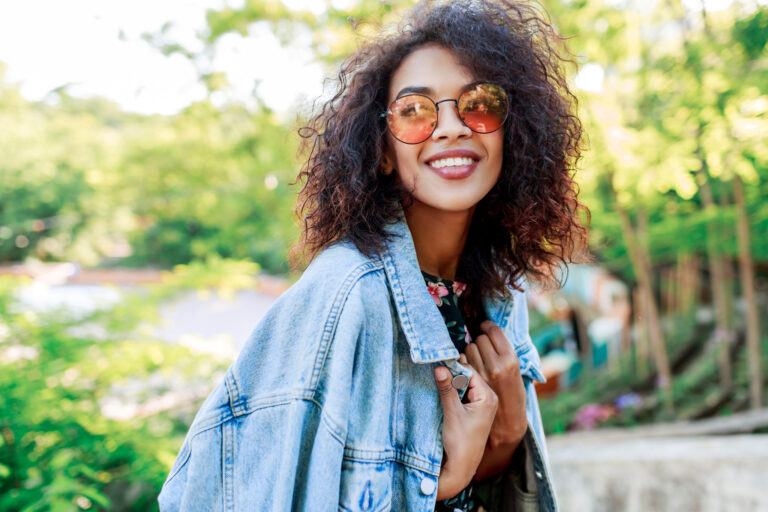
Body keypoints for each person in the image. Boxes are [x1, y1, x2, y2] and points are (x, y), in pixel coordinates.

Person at [158, 0, 588, 510]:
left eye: (478, 104)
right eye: (413, 111)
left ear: (510, 132)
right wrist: (442, 482)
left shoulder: (499, 292)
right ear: (382, 148)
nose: (451, 128)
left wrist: (504, 440)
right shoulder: (344, 295)